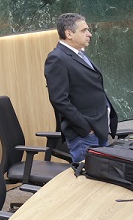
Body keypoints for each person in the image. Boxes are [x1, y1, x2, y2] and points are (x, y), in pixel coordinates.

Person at [44, 13, 118, 163]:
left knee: (101, 181)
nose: (89, 34)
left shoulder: (79, 54)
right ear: (69, 33)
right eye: (84, 30)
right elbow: (59, 100)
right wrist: (86, 128)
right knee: (89, 183)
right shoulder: (57, 58)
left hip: (98, 129)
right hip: (85, 135)